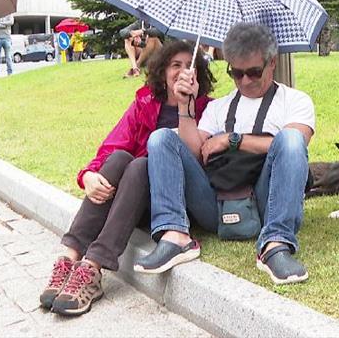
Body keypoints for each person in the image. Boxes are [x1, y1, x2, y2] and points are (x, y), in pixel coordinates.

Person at [39, 40, 214, 316]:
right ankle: (70, 256)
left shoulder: (208, 110)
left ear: (198, 75)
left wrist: (186, 107)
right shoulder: (145, 103)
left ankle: (93, 267)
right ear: (162, 71)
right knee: (121, 159)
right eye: (174, 65)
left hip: (173, 205)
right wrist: (88, 176)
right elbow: (112, 147)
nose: (181, 72)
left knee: (141, 164)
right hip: (133, 194)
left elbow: (201, 162)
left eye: (188, 66)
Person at [136, 23, 315, 285]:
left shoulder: (295, 101)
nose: (245, 81)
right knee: (161, 138)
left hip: (267, 203)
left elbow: (296, 143)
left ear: (272, 62)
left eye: (254, 72)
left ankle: (275, 243)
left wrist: (232, 140)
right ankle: (175, 235)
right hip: (215, 205)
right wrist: (186, 108)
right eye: (237, 73)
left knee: (288, 138)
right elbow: (195, 152)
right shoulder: (219, 107)